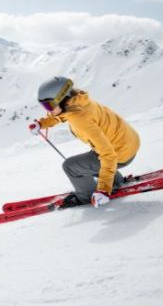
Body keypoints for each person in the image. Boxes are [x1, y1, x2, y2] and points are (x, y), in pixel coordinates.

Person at [28, 76, 140, 208]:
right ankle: (117, 181)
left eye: (49, 104)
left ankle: (86, 196)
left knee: (71, 166)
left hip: (120, 154)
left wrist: (103, 190)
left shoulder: (80, 118)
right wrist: (42, 123)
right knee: (89, 162)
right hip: (128, 143)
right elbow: (62, 115)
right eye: (44, 105)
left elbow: (108, 154)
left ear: (62, 99)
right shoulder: (78, 102)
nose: (48, 109)